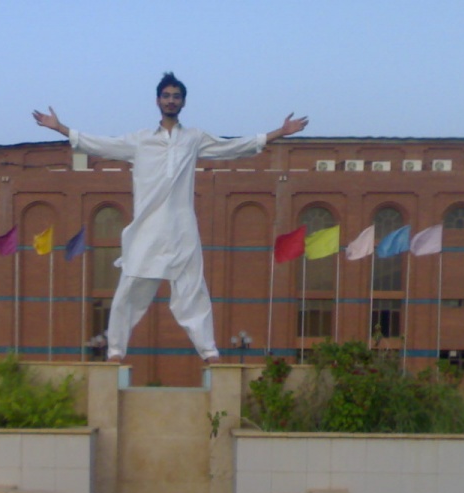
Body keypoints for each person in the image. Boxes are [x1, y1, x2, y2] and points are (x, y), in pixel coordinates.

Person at [33, 72, 308, 362]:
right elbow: (99, 144)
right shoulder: (140, 140)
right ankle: (115, 351)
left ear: (183, 102)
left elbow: (232, 147)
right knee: (130, 288)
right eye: (166, 96)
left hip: (181, 228)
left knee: (192, 289)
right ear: (157, 101)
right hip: (147, 229)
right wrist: (60, 128)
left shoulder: (193, 138)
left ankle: (209, 352)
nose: (171, 100)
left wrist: (278, 133)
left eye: (176, 96)